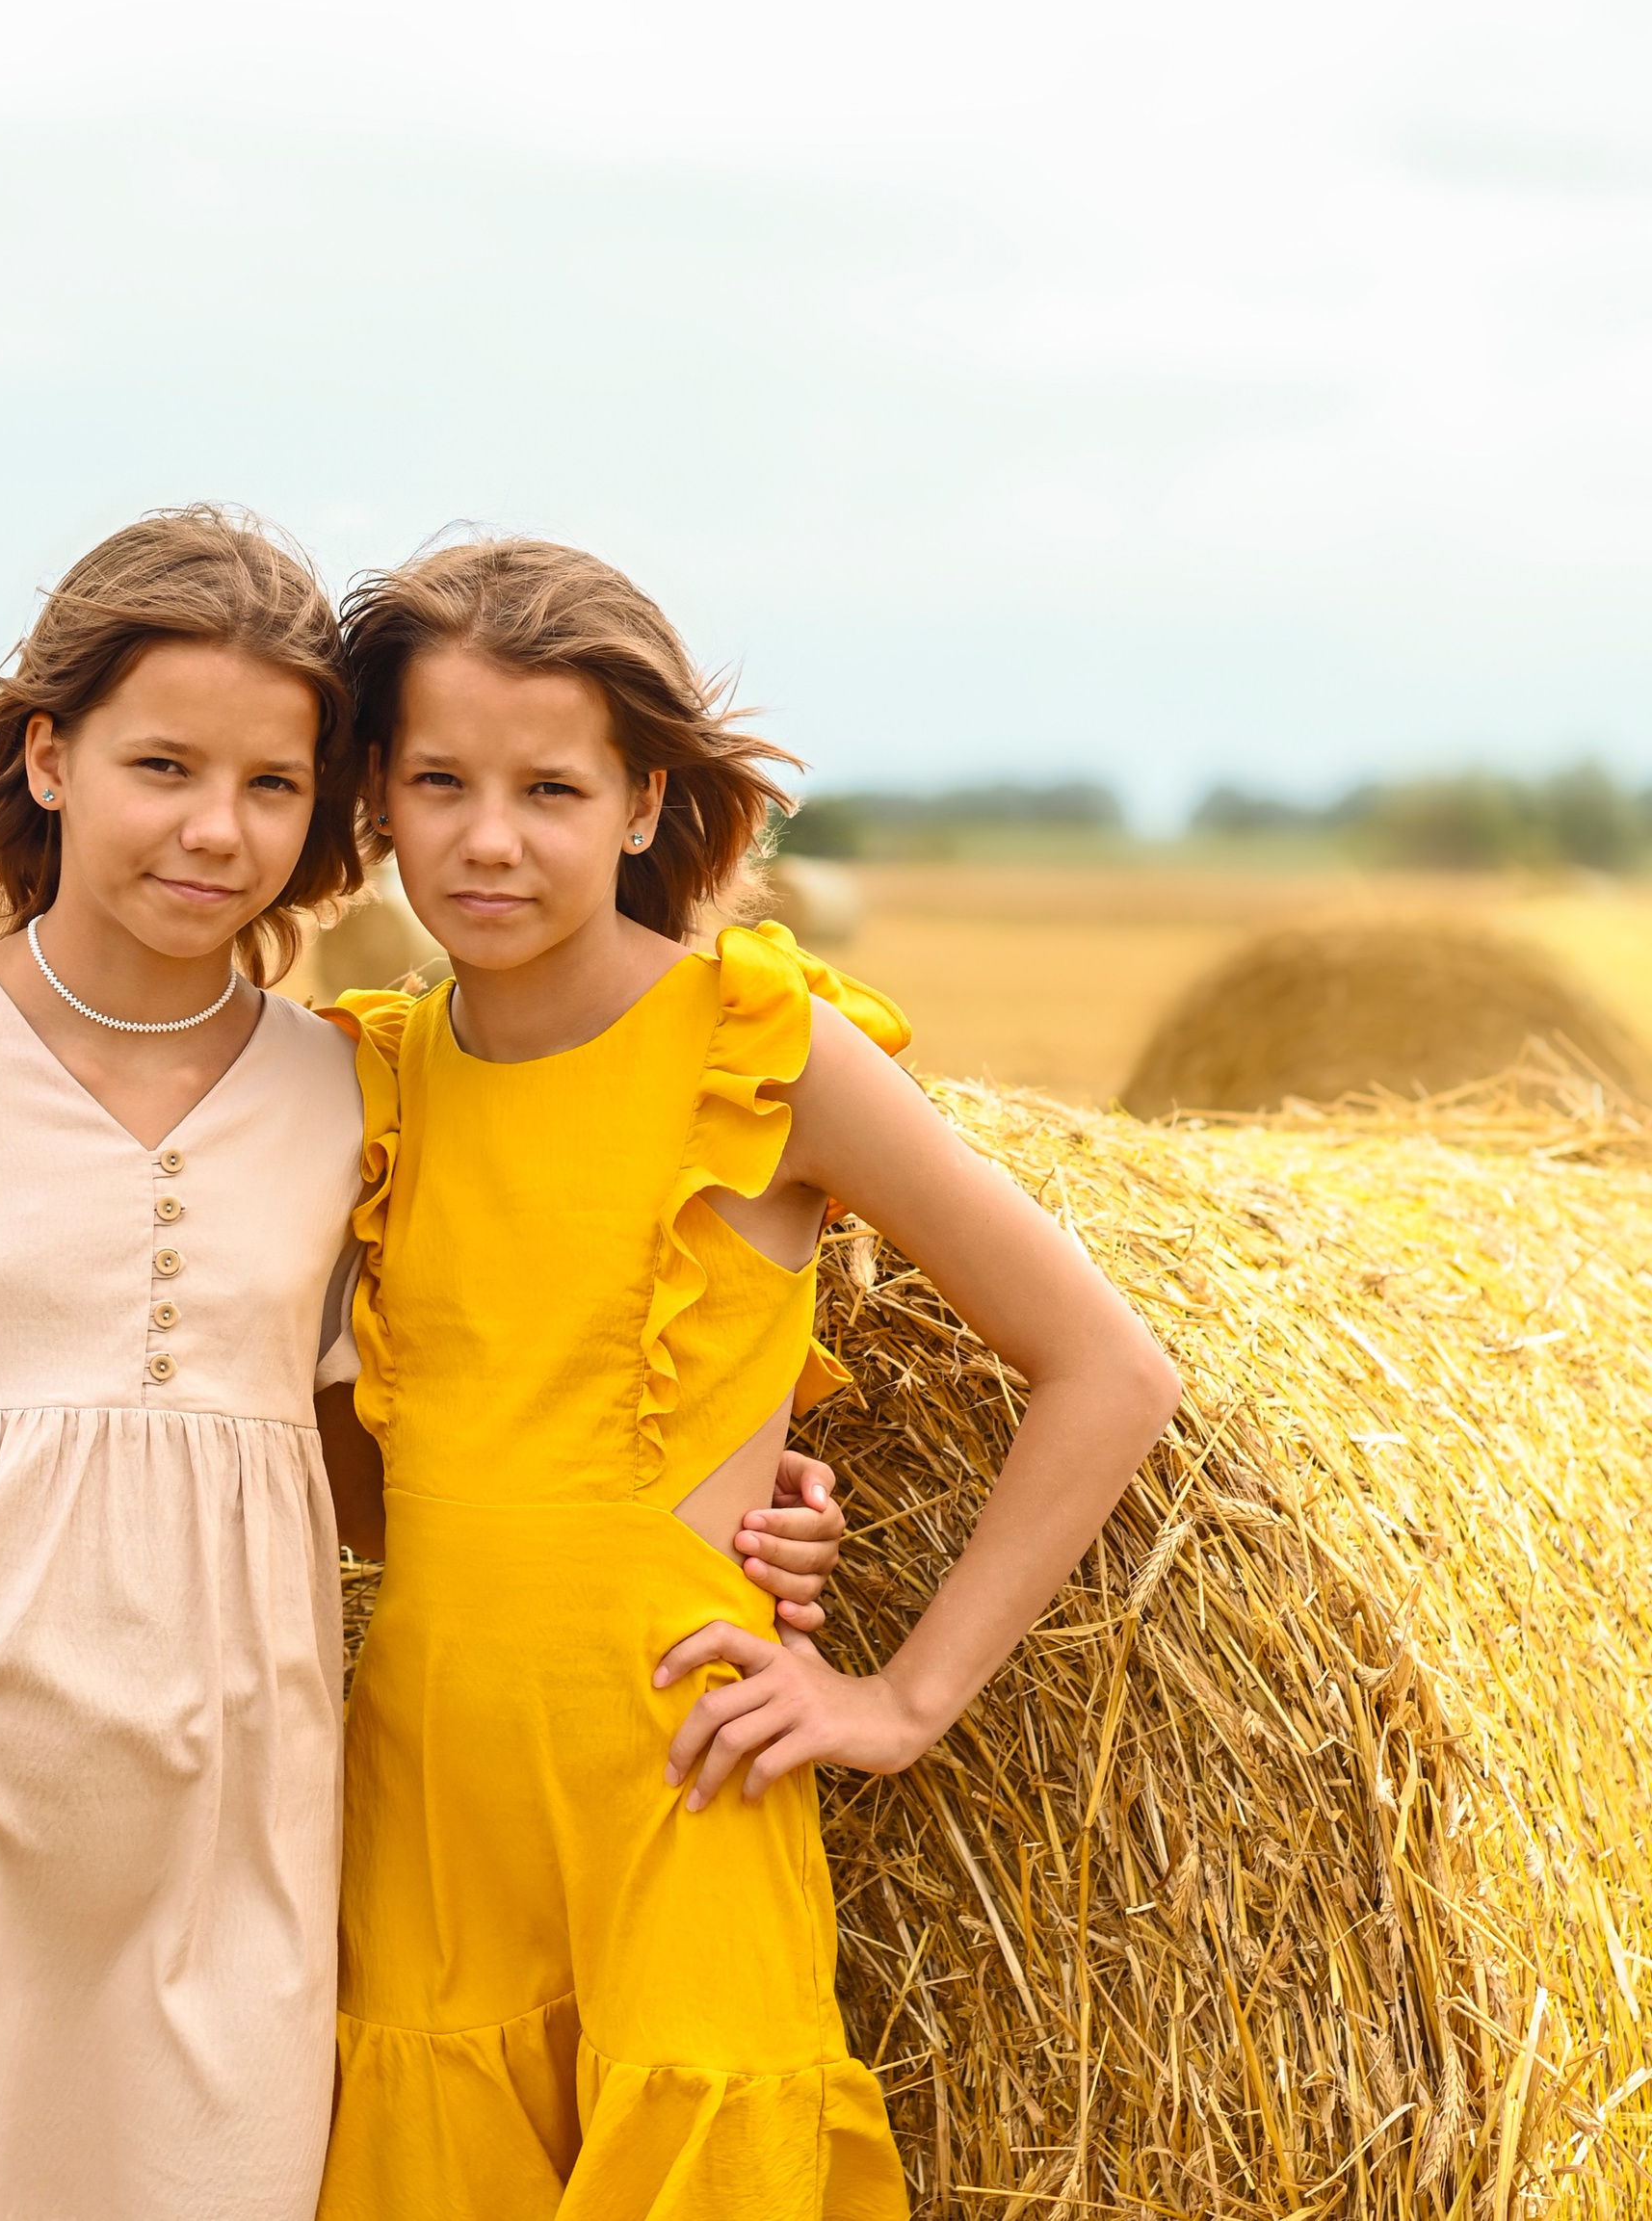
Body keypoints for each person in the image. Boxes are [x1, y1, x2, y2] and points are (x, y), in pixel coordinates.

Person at [0, 507, 852, 2221]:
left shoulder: (344, 1095)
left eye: (274, 787)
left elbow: (390, 1430)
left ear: (330, 812)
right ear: (48, 754)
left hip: (238, 1835)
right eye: (161, 764)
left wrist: (731, 1485)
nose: (213, 830)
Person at [303, 536, 1184, 2220]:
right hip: (424, 1783)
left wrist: (901, 1700)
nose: (490, 837)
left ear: (643, 805)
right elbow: (361, 1457)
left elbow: (1107, 1369)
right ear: (379, 801)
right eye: (439, 782)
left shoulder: (756, 1044)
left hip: (678, 1774)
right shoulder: (376, 1075)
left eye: (552, 788)